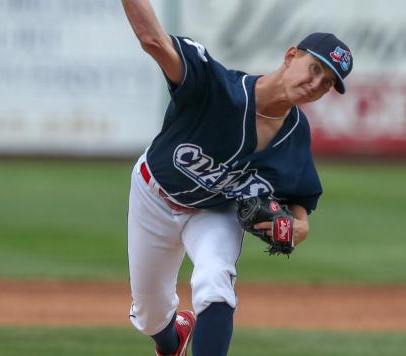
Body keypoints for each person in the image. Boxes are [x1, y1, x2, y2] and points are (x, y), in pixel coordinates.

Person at [121, 1, 353, 355]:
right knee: (152, 315)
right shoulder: (216, 88)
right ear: (291, 56)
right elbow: (152, 39)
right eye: (315, 68)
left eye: (326, 83)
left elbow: (301, 198)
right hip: (154, 195)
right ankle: (171, 342)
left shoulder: (295, 133)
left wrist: (299, 226)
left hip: (215, 211)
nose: (315, 83)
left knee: (215, 280)